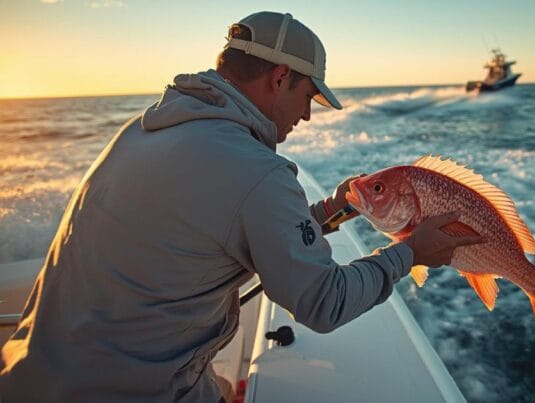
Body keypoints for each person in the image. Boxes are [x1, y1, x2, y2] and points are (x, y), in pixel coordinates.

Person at [0, 11, 483, 403]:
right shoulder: (259, 173)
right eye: (309, 95)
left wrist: (333, 209)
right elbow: (324, 302)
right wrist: (411, 253)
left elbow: (235, 227)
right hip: (135, 392)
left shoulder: (143, 131)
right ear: (279, 77)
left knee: (224, 389)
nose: (308, 114)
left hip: (28, 376)